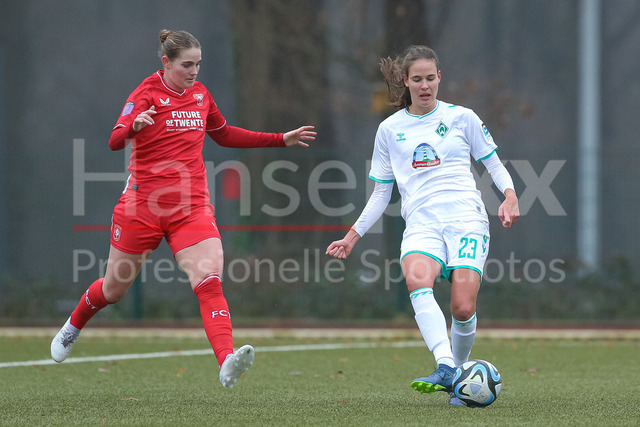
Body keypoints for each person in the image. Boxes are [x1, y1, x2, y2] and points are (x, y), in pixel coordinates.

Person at [51, 29, 316, 389]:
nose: (194, 72)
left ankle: (226, 361)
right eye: (187, 65)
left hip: (191, 206)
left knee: (209, 279)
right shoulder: (145, 93)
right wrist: (133, 126)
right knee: (113, 290)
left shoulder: (201, 95)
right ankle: (73, 325)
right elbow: (114, 140)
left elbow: (223, 133)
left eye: (198, 64)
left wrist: (279, 139)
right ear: (166, 62)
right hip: (142, 206)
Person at [325, 45, 519, 405]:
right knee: (417, 277)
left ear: (439, 78)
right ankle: (446, 367)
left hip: (466, 220)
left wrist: (509, 195)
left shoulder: (463, 117)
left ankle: (456, 375)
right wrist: (352, 237)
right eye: (417, 79)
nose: (425, 85)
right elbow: (381, 192)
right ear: (405, 81)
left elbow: (493, 163)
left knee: (462, 308)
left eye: (430, 78)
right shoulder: (389, 129)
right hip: (421, 224)